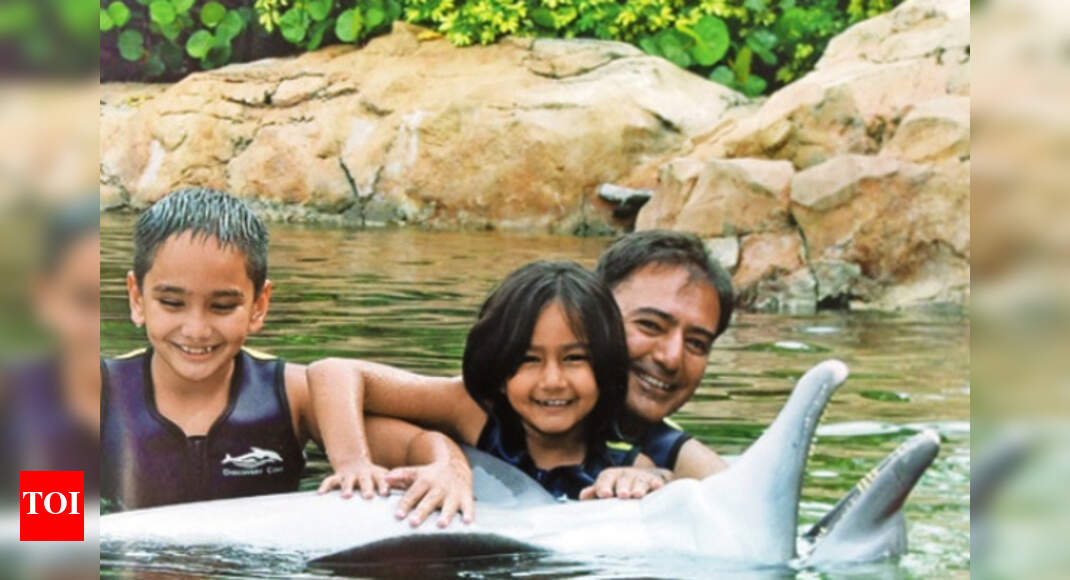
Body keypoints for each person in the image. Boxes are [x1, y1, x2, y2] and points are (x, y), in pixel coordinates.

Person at [100, 188, 473, 526]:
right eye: (171, 303)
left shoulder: (292, 395)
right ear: (137, 298)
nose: (196, 329)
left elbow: (417, 445)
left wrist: (449, 469)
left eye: (223, 306)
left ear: (259, 305)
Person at [311, 261, 671, 501]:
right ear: (498, 369)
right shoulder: (473, 412)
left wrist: (650, 480)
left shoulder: (624, 463)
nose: (552, 380)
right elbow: (334, 372)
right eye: (528, 359)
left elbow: (672, 484)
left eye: (574, 358)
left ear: (605, 365)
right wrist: (354, 463)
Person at [594, 229, 734, 480]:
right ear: (590, 314)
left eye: (696, 343)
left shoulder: (672, 454)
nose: (671, 358)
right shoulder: (518, 417)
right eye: (650, 325)